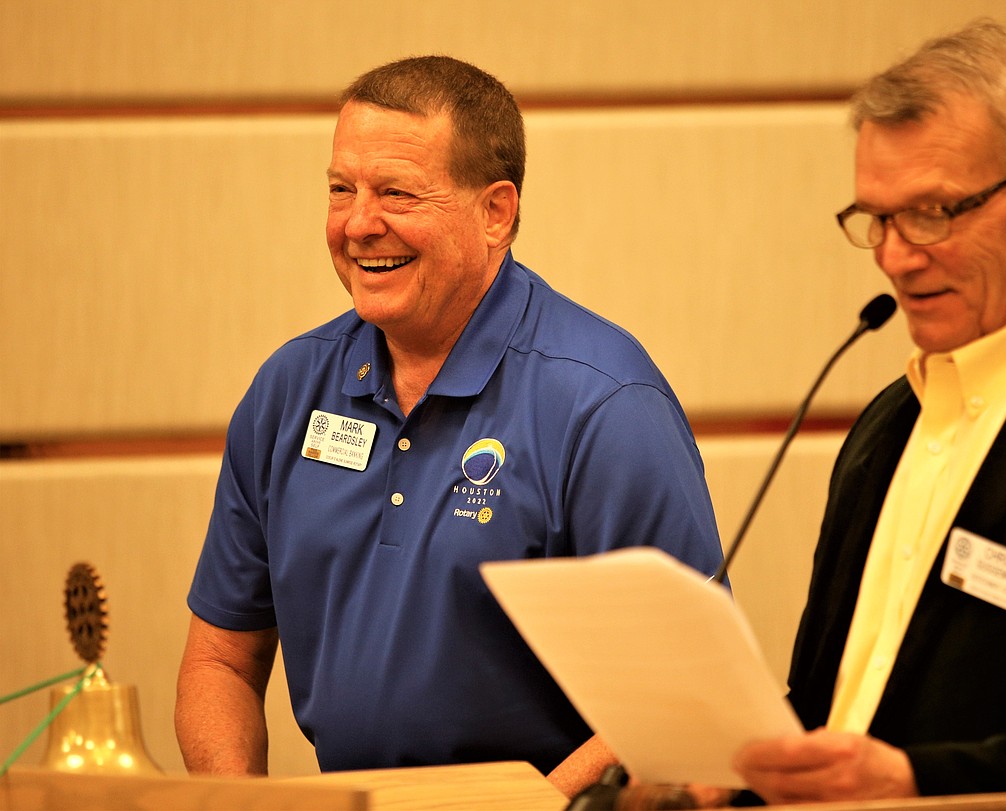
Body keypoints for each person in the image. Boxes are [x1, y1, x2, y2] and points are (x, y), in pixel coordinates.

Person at [175, 55, 724, 796]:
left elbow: (687, 694)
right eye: (342, 189)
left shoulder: (603, 403)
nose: (360, 224)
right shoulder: (289, 389)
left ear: (496, 212)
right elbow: (220, 662)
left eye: (396, 193)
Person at [731, 20, 1006, 810]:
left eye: (934, 211)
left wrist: (916, 783)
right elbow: (832, 706)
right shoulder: (884, 427)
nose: (898, 256)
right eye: (879, 218)